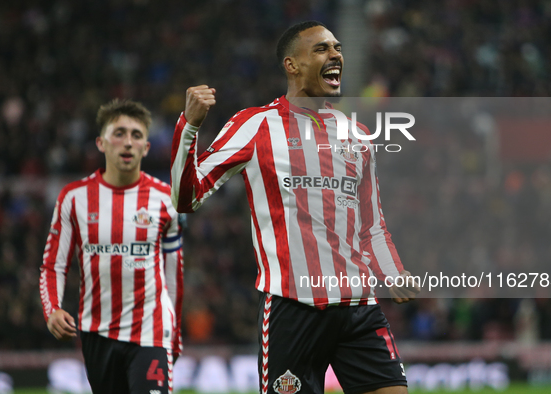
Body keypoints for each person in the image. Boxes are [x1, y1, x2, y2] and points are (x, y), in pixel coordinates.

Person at [170, 21, 419, 394]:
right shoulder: (254, 125)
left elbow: (372, 226)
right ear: (292, 65)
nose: (336, 54)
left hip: (358, 307)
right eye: (321, 49)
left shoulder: (358, 136)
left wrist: (392, 271)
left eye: (337, 47)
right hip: (293, 308)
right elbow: (185, 198)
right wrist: (189, 126)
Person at [40, 99, 184, 394]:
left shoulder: (166, 199)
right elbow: (53, 265)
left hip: (151, 330)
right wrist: (52, 309)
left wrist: (175, 332)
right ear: (101, 143)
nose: (127, 142)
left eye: (136, 135)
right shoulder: (74, 198)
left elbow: (174, 273)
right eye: (119, 133)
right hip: (97, 333)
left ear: (146, 147)